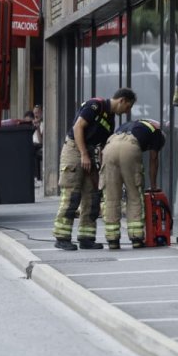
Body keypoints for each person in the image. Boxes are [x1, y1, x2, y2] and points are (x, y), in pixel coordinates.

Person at [53, 89, 135, 250]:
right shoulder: (95, 106)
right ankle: (62, 237)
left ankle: (86, 238)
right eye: (128, 107)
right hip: (75, 150)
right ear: (122, 100)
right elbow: (78, 128)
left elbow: (103, 146)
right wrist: (83, 154)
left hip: (90, 153)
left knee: (92, 197)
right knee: (72, 195)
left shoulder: (110, 120)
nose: (127, 111)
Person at [100, 118, 166, 250]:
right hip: (129, 147)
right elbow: (153, 159)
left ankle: (112, 239)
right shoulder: (157, 132)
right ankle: (136, 238)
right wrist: (153, 186)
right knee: (134, 196)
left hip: (109, 146)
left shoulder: (131, 125)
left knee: (111, 197)